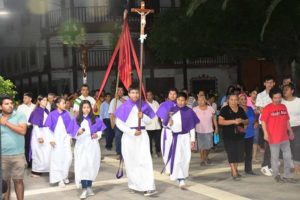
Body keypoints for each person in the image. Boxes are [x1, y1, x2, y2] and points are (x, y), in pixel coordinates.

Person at [115, 84, 157, 196]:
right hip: (129, 137)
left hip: (142, 136)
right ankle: (133, 184)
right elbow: (118, 123)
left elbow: (150, 121)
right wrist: (132, 132)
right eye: (132, 92)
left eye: (137, 93)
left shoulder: (143, 105)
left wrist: (143, 116)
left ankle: (148, 186)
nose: (135, 95)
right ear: (128, 94)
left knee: (144, 161)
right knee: (131, 161)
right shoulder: (124, 106)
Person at [67, 100, 106, 199]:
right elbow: (71, 133)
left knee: (91, 166)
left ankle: (89, 187)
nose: (86, 109)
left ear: (91, 108)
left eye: (88, 107)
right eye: (84, 107)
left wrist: (97, 134)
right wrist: (78, 132)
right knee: (83, 166)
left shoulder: (95, 119)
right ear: (81, 109)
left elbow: (100, 131)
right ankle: (84, 188)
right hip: (81, 145)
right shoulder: (76, 119)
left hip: (92, 145)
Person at [261, 87, 297, 183]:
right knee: (275, 157)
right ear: (271, 98)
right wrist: (265, 133)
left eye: (279, 97)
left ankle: (287, 175)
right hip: (273, 137)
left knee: (288, 157)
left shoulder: (283, 107)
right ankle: (276, 175)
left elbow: (287, 120)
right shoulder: (267, 108)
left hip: (284, 137)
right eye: (275, 98)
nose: (277, 100)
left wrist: (291, 131)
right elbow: (263, 121)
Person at [166, 92, 199, 188]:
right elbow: (166, 125)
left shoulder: (189, 111)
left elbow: (192, 127)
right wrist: (170, 123)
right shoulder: (172, 110)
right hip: (176, 137)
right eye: (179, 100)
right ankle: (180, 178)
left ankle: (183, 175)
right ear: (176, 100)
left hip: (186, 137)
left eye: (183, 100)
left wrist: (192, 140)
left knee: (186, 157)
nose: (180, 102)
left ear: (186, 101)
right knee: (177, 158)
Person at [0, 95, 27, 200]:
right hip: (3, 156)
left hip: (18, 154)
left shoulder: (20, 115)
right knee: (5, 182)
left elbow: (22, 131)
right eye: (6, 104)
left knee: (18, 181)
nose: (10, 106)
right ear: (1, 107)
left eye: (11, 103)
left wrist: (6, 123)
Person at [219, 94, 248, 181]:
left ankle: (235, 169)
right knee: (231, 153)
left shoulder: (240, 109)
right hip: (228, 135)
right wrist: (233, 121)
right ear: (228, 100)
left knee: (238, 153)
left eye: (235, 100)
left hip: (239, 135)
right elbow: (220, 121)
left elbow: (247, 121)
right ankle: (234, 172)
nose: (233, 101)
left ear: (238, 101)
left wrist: (241, 121)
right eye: (231, 100)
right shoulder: (224, 109)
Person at [44, 97, 72, 187]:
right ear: (57, 104)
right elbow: (47, 128)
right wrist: (51, 139)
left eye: (65, 103)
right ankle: (60, 179)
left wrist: (70, 137)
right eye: (63, 103)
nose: (65, 104)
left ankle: (64, 176)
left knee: (68, 158)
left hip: (65, 139)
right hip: (55, 140)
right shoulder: (52, 114)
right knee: (57, 159)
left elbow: (70, 127)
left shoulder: (66, 114)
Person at [256, 75, 276, 176]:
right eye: (268, 82)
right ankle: (265, 166)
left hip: (275, 124)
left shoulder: (276, 95)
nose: (269, 84)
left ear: (274, 83)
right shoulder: (260, 95)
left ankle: (270, 165)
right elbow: (260, 109)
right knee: (268, 145)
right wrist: (271, 111)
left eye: (271, 82)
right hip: (264, 124)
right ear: (264, 84)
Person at [28, 95, 51, 177]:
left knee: (46, 152)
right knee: (38, 152)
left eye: (46, 100)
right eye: (44, 100)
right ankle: (36, 171)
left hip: (47, 133)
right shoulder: (36, 111)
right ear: (39, 101)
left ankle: (47, 169)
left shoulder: (47, 111)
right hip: (39, 133)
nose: (45, 102)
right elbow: (35, 125)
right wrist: (39, 137)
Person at [156, 88, 177, 173]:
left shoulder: (180, 105)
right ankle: (168, 169)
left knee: (177, 150)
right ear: (168, 95)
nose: (172, 95)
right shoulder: (163, 105)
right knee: (167, 150)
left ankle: (176, 167)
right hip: (167, 131)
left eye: (174, 94)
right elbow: (161, 118)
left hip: (178, 132)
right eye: (170, 94)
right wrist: (168, 119)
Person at [193, 96, 218, 166]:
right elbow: (192, 120)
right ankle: (203, 159)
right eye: (199, 100)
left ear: (206, 101)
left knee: (208, 146)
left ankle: (206, 157)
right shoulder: (195, 109)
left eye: (202, 100)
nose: (201, 101)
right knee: (201, 147)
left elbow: (214, 118)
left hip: (209, 130)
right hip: (199, 130)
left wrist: (216, 127)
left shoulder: (210, 109)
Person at [282, 83, 300, 174]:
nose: (285, 91)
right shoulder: (281, 102)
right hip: (284, 129)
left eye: (287, 89)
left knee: (297, 147)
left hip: (297, 127)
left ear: (292, 91)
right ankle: (288, 167)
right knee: (286, 148)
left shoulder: (298, 101)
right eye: (284, 89)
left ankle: (297, 168)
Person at [239, 93, 257, 175]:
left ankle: (248, 169)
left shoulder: (250, 108)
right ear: (238, 101)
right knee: (239, 153)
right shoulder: (237, 110)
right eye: (241, 99)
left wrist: (256, 122)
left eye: (245, 99)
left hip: (250, 133)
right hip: (240, 135)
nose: (244, 101)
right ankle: (234, 170)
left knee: (249, 153)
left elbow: (254, 118)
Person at [109, 86, 128, 158]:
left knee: (127, 138)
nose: (120, 92)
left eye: (121, 90)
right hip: (118, 123)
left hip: (126, 123)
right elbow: (111, 113)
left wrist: (119, 98)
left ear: (123, 92)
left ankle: (126, 153)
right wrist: (112, 123)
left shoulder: (127, 98)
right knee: (118, 137)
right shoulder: (113, 101)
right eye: (118, 90)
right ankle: (119, 153)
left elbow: (127, 104)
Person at [17, 92, 36, 167]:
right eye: (23, 98)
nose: (23, 99)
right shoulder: (20, 107)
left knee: (33, 145)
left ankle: (33, 161)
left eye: (25, 98)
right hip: (24, 128)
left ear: (30, 99)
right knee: (25, 145)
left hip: (33, 128)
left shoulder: (34, 107)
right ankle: (28, 162)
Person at [146, 91, 162, 157]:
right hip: (148, 126)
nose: (149, 96)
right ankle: (150, 152)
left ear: (152, 95)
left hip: (157, 125)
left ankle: (158, 151)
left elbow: (159, 113)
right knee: (148, 141)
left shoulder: (156, 103)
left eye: (150, 95)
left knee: (158, 140)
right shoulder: (144, 104)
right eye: (147, 95)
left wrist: (160, 122)